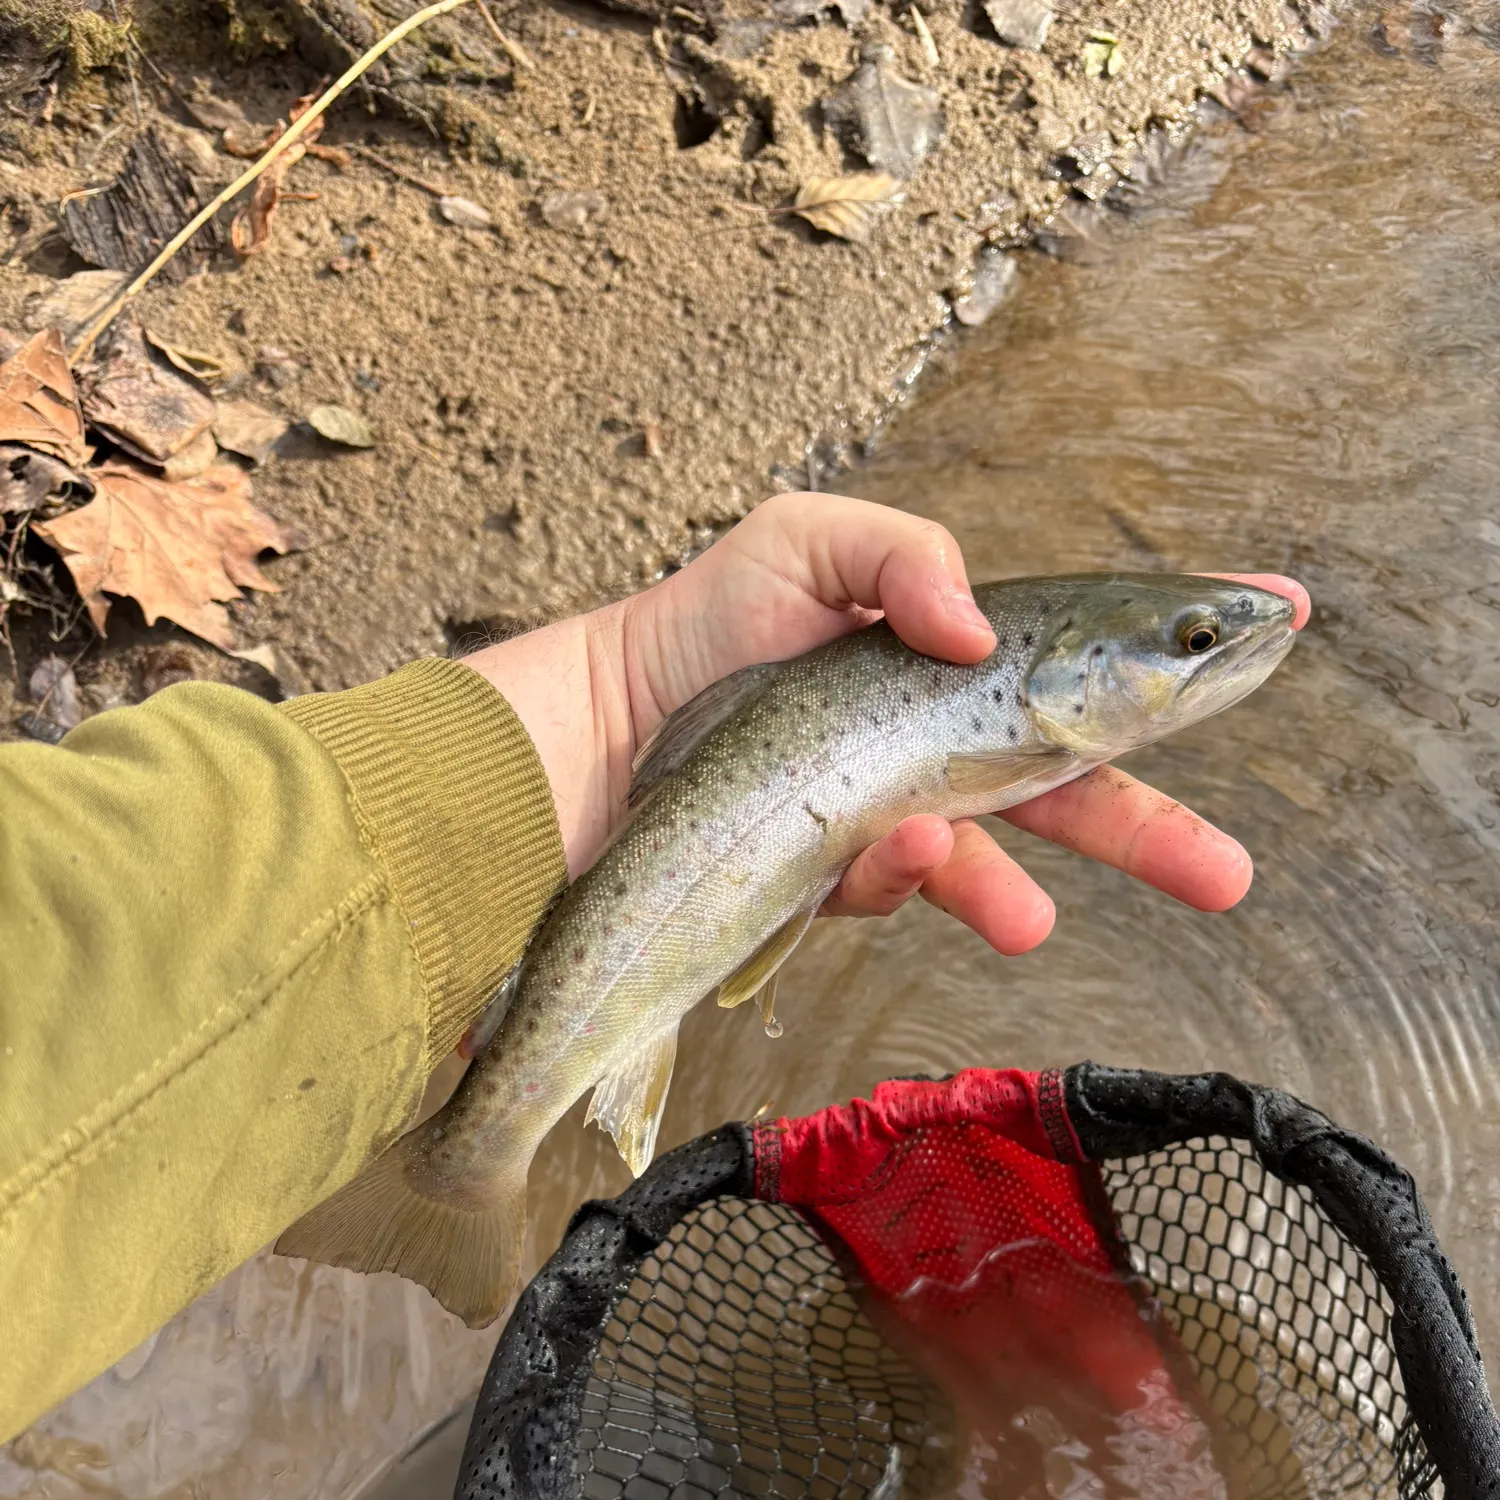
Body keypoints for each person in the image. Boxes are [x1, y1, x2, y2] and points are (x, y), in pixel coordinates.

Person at [0, 493, 1308, 1441]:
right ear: (1070, 667)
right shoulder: (1013, 706)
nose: (1228, 650)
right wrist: (620, 690)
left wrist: (611, 684)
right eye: (1194, 641)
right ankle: (466, 1162)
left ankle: (480, 1143)